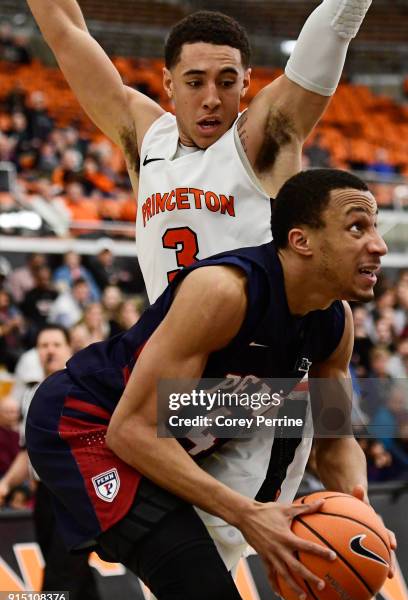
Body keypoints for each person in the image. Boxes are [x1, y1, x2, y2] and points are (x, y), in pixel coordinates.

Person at [27, 0, 375, 569]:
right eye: (194, 81)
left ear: (248, 83)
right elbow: (66, 33)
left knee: (216, 566)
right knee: (175, 571)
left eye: (227, 81)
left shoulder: (262, 137)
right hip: (179, 383)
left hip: (258, 384)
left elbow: (329, 35)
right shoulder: (143, 135)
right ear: (167, 83)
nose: (211, 97)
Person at [26, 170, 396, 600]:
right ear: (302, 241)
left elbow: (336, 441)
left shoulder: (335, 322)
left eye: (374, 227)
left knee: (197, 594)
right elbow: (129, 431)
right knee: (203, 596)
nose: (379, 245)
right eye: (358, 227)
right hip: (85, 426)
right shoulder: (225, 291)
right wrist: (247, 514)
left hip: (169, 437)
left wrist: (361, 513)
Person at [0, 324, 107, 600]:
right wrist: (7, 484)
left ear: (69, 348)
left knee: (59, 582)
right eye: (43, 345)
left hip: (76, 495)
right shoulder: (31, 394)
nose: (49, 350)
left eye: (56, 344)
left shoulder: (83, 388)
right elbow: (27, 453)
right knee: (75, 580)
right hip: (45, 498)